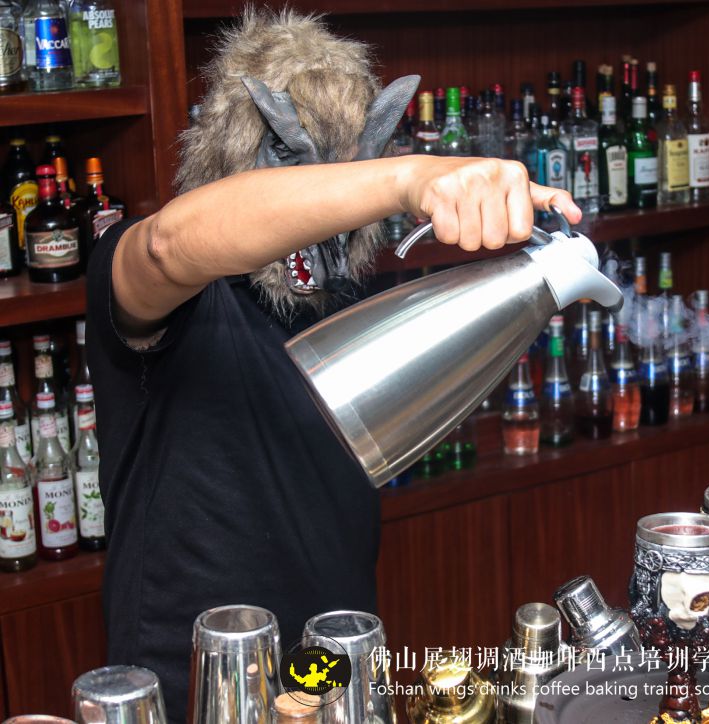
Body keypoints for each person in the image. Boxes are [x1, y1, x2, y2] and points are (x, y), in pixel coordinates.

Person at [85, 9, 580, 722]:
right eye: (294, 161)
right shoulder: (163, 283)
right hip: (192, 685)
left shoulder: (353, 300)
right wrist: (409, 178)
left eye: (347, 166)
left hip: (331, 667)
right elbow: (171, 244)